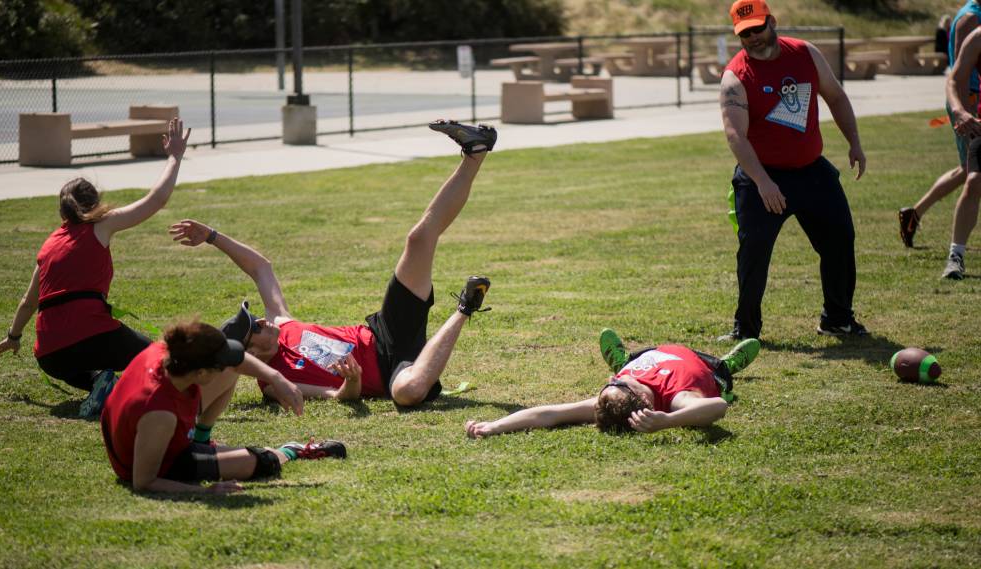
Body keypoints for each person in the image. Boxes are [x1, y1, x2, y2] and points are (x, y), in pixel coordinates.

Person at [167, 120, 497, 407]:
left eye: (255, 318)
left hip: (385, 331)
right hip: (392, 373)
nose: (263, 322)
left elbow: (260, 268)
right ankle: (466, 307)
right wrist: (351, 381)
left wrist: (212, 236)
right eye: (254, 327)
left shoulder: (281, 323)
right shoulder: (272, 384)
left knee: (418, 240)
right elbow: (337, 397)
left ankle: (475, 150)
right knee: (408, 393)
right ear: (249, 354)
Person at [0, 119, 192, 417]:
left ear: (62, 211)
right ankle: (163, 397)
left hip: (50, 356)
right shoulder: (101, 225)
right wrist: (174, 156)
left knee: (74, 360)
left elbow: (29, 301)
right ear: (96, 203)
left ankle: (101, 383)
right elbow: (156, 200)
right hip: (92, 334)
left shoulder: (48, 246)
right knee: (159, 358)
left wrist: (14, 336)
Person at [719, 0, 868, 340]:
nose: (753, 38)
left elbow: (836, 97)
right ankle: (746, 331)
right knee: (754, 251)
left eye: (757, 29)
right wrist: (763, 182)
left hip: (811, 170)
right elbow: (735, 136)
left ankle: (838, 318)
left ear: (771, 21)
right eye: (744, 34)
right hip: (763, 177)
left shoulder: (805, 54)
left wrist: (854, 142)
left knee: (840, 240)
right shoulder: (735, 77)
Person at [101, 319, 339, 495]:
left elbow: (236, 360)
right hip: (162, 460)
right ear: (201, 372)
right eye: (215, 367)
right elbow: (144, 482)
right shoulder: (159, 412)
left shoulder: (167, 350)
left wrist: (277, 377)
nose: (223, 367)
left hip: (159, 436)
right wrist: (205, 491)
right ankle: (291, 451)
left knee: (231, 367)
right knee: (261, 461)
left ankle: (201, 441)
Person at [464, 332, 760, 438]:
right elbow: (717, 407)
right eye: (618, 381)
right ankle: (729, 365)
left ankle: (621, 358)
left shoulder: (621, 390)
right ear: (643, 399)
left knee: (632, 361)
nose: (612, 379)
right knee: (719, 375)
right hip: (703, 365)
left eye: (612, 381)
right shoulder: (676, 399)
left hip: (651, 355)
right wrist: (667, 421)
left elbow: (549, 414)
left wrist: (495, 426)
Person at [898, 1, 980, 249]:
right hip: (970, 100)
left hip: (972, 100)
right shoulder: (971, 18)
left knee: (968, 169)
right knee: (972, 171)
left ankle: (914, 213)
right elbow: (960, 73)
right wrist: (963, 113)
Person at [942, 25, 981, 279]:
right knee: (974, 181)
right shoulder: (978, 37)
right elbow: (954, 79)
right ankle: (955, 257)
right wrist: (959, 110)